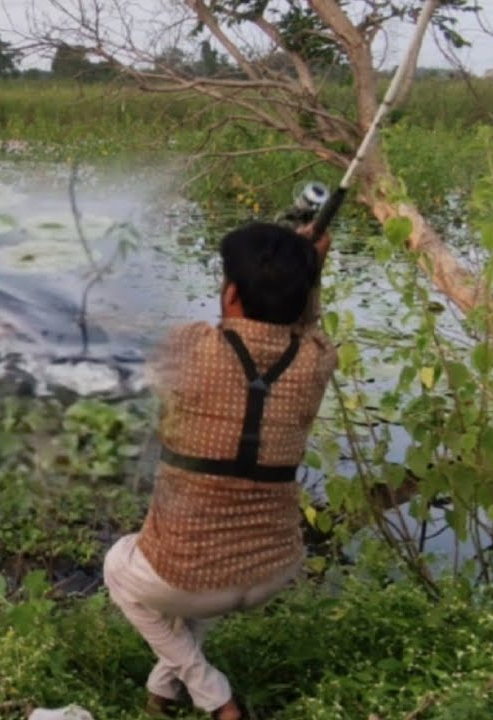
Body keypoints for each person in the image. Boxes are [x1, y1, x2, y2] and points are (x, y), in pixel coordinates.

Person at [103, 222, 336, 719]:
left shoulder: (187, 347)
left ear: (231, 293)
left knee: (118, 568)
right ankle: (161, 694)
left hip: (190, 578)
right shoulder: (316, 361)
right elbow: (305, 324)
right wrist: (307, 271)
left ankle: (216, 697)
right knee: (199, 582)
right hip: (273, 570)